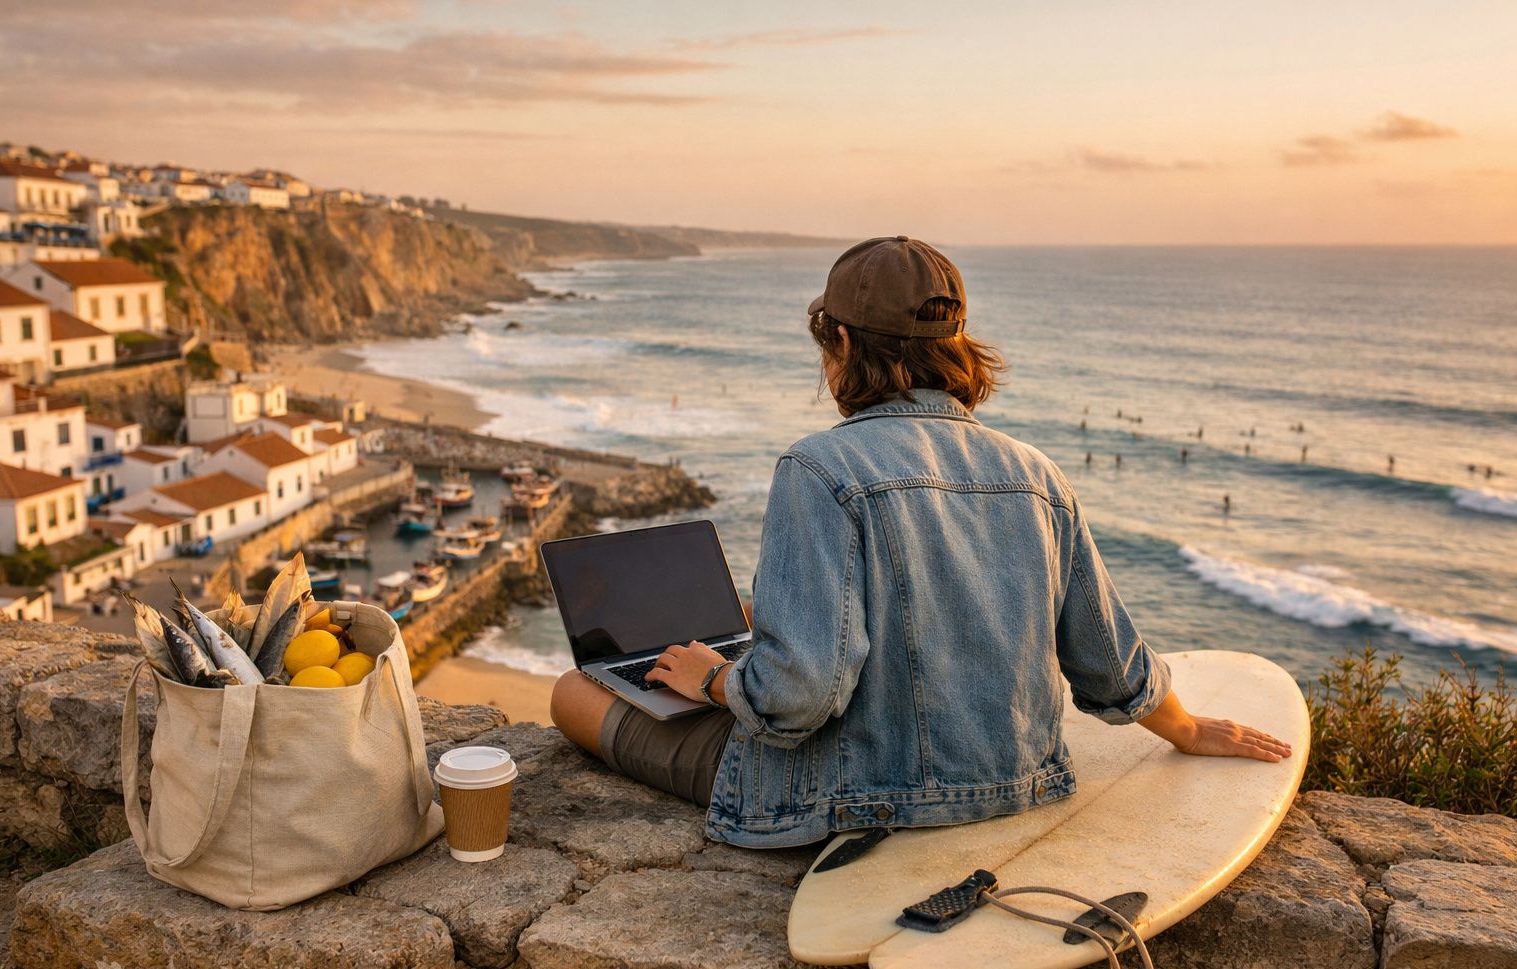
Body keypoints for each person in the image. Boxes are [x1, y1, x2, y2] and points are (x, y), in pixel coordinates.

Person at [549, 236, 1290, 849]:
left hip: (852, 799)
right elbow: (1108, 665)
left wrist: (713, 680)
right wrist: (1185, 727)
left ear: (839, 340)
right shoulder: (1037, 474)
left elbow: (798, 698)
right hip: (1018, 784)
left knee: (573, 690)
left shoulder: (819, 467)